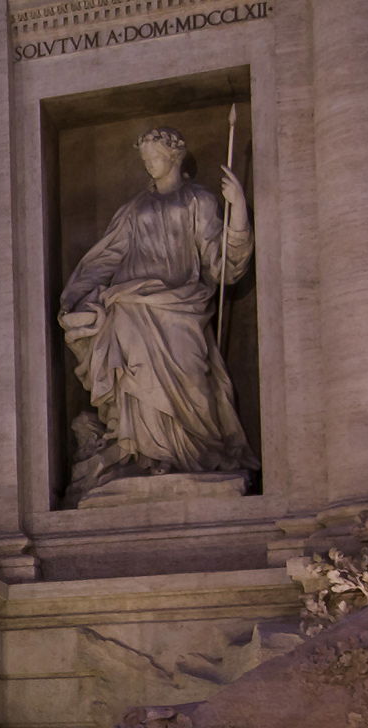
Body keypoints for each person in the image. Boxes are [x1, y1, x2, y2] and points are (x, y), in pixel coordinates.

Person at [57, 126, 254, 499]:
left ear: (174, 156)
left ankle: (196, 454)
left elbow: (222, 264)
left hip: (182, 307)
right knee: (137, 382)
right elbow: (106, 256)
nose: (148, 164)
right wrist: (79, 295)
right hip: (131, 307)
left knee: (194, 381)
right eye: (144, 159)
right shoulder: (134, 209)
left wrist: (239, 209)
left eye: (154, 157)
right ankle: (146, 455)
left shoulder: (200, 201)